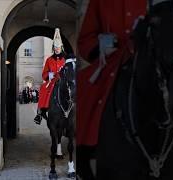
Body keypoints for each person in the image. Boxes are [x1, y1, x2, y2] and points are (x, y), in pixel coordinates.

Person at [76, 0, 147, 179]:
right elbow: (85, 40)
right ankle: (85, 151)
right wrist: (103, 43)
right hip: (112, 62)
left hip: (151, 58)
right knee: (84, 87)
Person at [34, 28, 66, 125]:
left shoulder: (65, 59)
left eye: (58, 48)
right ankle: (40, 113)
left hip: (63, 81)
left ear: (61, 48)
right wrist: (50, 75)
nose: (56, 49)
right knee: (43, 88)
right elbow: (44, 74)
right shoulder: (49, 60)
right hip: (52, 81)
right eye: (55, 48)